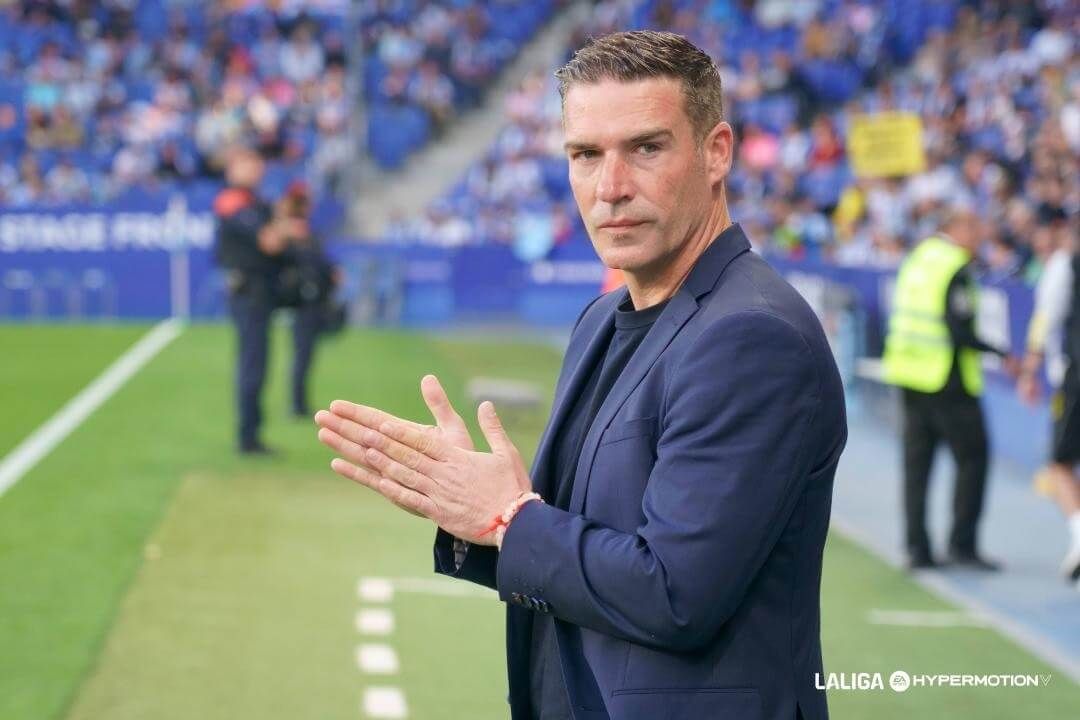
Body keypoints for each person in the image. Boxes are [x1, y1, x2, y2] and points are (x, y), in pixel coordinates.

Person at [315, 31, 846, 720]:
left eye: (646, 148)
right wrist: (471, 513)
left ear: (717, 153)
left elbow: (675, 594)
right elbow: (585, 542)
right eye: (585, 155)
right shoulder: (601, 319)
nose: (611, 187)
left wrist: (507, 518)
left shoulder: (753, 337)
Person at [882, 205, 1019, 571]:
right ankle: (963, 545)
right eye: (974, 227)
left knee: (917, 465)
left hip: (909, 374)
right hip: (946, 378)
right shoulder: (953, 265)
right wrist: (1001, 353)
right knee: (973, 459)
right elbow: (959, 329)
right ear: (956, 227)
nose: (979, 237)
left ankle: (917, 548)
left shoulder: (918, 258)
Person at [213, 146, 303, 455]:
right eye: (247, 163)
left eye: (257, 163)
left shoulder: (255, 202)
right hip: (249, 292)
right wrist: (283, 224)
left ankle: (252, 434)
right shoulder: (233, 202)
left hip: (262, 293)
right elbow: (271, 242)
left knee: (259, 364)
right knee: (253, 365)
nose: (255, 169)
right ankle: (247, 438)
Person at [1017, 221, 1080, 587]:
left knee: (1059, 463)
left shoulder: (1063, 265)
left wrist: (1030, 367)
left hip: (1072, 377)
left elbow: (1045, 317)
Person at [273, 180, 341, 418]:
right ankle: (297, 404)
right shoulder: (292, 232)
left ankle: (299, 402)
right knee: (302, 354)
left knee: (306, 355)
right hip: (301, 301)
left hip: (313, 300)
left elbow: (321, 262)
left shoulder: (308, 232)